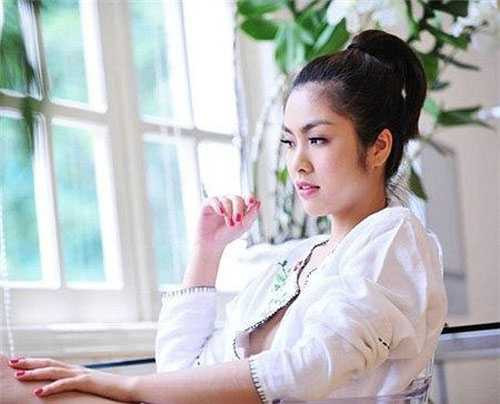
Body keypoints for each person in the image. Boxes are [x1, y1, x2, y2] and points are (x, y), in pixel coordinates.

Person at [1, 29, 447, 404]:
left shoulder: (394, 237)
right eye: (289, 142)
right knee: (22, 384)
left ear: (379, 147)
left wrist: (124, 385)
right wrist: (206, 252)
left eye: (317, 140)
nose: (297, 164)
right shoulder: (296, 260)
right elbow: (179, 375)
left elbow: (306, 370)